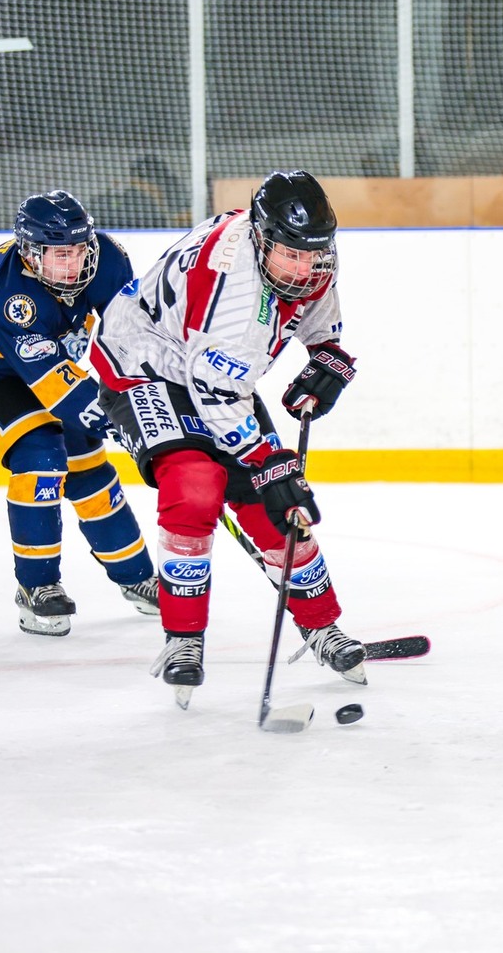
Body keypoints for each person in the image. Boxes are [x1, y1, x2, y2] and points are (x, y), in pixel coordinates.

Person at [88, 170, 364, 708]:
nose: (302, 268)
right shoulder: (232, 290)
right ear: (261, 237)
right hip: (144, 367)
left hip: (213, 370)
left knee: (274, 511)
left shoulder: (303, 252)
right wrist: (268, 461)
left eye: (311, 255)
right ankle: (183, 639)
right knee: (195, 487)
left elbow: (312, 310)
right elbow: (216, 395)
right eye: (290, 255)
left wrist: (327, 354)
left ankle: (321, 625)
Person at [0, 190, 159, 635]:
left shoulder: (108, 259)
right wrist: (126, 423)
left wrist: (154, 407)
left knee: (87, 461)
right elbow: (57, 388)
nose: (75, 263)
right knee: (40, 453)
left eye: (80, 249)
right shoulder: (6, 294)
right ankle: (37, 586)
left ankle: (136, 576)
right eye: (61, 254)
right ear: (30, 253)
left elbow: (133, 340)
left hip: (39, 361)